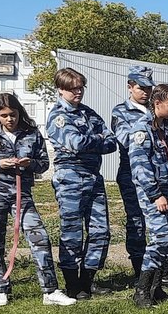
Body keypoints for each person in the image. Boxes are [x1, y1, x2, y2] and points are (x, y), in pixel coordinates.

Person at [0, 94, 75, 307]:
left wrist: (29, 164)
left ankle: (50, 290)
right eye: (4, 115)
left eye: (13, 115)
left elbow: (43, 164)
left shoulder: (31, 133)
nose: (9, 119)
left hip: (21, 194)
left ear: (19, 113)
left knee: (40, 237)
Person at [46, 68, 117, 300]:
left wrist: (93, 141)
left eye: (80, 87)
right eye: (72, 88)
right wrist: (97, 140)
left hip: (93, 176)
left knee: (100, 230)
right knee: (72, 232)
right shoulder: (58, 115)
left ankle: (88, 281)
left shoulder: (89, 113)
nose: (78, 92)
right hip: (70, 177)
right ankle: (72, 284)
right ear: (61, 89)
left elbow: (112, 143)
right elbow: (76, 143)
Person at [129, 84, 168, 308]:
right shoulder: (142, 129)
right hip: (155, 193)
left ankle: (156, 287)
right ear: (157, 103)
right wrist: (155, 195)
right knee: (160, 238)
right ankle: (141, 291)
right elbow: (139, 166)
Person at [110, 65, 155, 285]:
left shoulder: (155, 109)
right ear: (130, 86)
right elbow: (125, 140)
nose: (146, 92)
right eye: (141, 87)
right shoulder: (121, 111)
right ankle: (139, 272)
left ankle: (157, 272)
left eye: (149, 88)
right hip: (132, 174)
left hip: (158, 174)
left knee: (160, 224)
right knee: (136, 221)